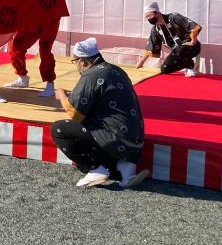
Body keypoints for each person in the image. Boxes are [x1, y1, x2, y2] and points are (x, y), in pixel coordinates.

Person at [50, 38, 149, 188]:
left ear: (83, 62)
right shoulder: (116, 70)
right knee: (97, 119)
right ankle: (125, 170)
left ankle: (95, 169)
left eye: (75, 61)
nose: (76, 66)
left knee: (59, 129)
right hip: (135, 141)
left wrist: (61, 95)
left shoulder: (91, 75)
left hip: (115, 138)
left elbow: (74, 113)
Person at [136, 3, 202, 76]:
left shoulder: (174, 17)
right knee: (165, 69)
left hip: (192, 46)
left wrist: (193, 41)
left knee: (181, 49)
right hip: (177, 51)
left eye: (150, 15)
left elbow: (194, 27)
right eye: (147, 17)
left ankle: (191, 68)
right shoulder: (155, 29)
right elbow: (150, 46)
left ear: (158, 13)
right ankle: (188, 63)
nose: (149, 19)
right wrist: (141, 62)